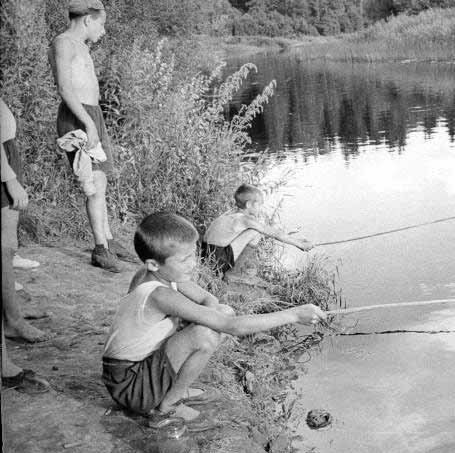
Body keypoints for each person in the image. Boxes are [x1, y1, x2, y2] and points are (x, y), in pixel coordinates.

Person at [102, 212, 326, 428]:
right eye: (184, 259)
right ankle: (165, 407)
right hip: (129, 385)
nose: (193, 264)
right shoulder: (159, 294)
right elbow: (232, 328)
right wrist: (294, 314)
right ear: (153, 264)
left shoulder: (163, 274)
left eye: (193, 254)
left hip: (142, 366)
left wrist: (209, 317)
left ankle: (169, 387)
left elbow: (208, 299)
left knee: (222, 312)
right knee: (205, 334)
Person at [48, 0, 137, 273]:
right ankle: (100, 249)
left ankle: (108, 240)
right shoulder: (63, 43)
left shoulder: (82, 46)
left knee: (101, 182)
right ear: (87, 19)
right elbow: (65, 88)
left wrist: (93, 119)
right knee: (94, 183)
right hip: (79, 116)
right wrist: (88, 123)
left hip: (91, 114)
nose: (104, 30)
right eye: (101, 23)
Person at [1, 98, 50, 345]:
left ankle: (11, 310)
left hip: (6, 152)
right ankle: (12, 320)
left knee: (6, 246)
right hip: (2, 162)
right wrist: (9, 178)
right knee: (4, 246)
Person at [202, 184, 314, 279]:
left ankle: (233, 268)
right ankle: (235, 273)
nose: (260, 208)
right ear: (249, 205)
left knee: (255, 231)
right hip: (217, 262)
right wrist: (299, 244)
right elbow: (273, 233)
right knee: (254, 232)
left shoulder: (230, 214)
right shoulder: (245, 220)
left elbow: (270, 232)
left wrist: (291, 235)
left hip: (207, 257)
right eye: (259, 205)